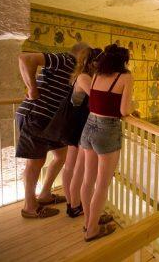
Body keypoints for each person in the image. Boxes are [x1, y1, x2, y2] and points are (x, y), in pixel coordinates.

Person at [16, 43, 88, 218]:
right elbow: (25, 58)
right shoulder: (65, 59)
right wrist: (32, 88)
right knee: (35, 163)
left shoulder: (77, 71)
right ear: (81, 54)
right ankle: (30, 207)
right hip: (35, 116)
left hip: (51, 121)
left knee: (61, 155)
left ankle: (45, 194)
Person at [80, 44, 134, 241]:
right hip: (107, 128)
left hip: (89, 125)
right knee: (102, 185)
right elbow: (124, 111)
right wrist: (132, 108)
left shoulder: (96, 75)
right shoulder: (125, 77)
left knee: (88, 180)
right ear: (123, 61)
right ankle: (93, 229)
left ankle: (88, 222)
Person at [62, 47, 102, 217]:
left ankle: (72, 203)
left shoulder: (83, 76)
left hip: (77, 123)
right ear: (93, 63)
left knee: (72, 167)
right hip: (78, 125)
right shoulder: (84, 77)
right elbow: (97, 99)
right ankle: (74, 205)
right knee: (75, 168)